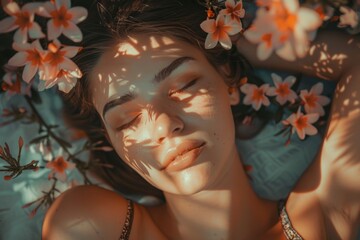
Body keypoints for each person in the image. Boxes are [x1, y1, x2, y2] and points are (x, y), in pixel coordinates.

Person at [41, 0, 360, 239]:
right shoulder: (88, 224)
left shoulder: (321, 218)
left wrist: (231, 39)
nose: (165, 125)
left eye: (183, 85)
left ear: (229, 81)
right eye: (127, 120)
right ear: (111, 138)